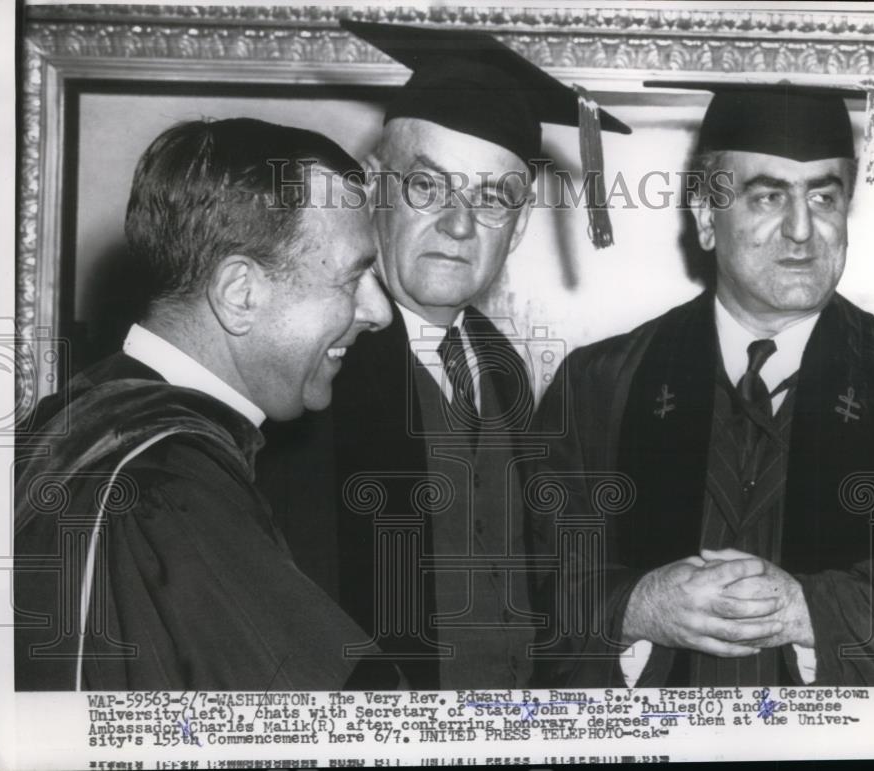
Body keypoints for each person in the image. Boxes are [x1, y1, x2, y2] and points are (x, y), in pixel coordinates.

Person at [528, 82, 874, 688]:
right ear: (706, 216)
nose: (803, 230)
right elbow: (530, 594)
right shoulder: (598, 386)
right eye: (767, 197)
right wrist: (638, 606)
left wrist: (805, 611)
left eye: (825, 197)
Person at [256, 20, 630, 689]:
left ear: (515, 232)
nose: (460, 225)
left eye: (493, 200)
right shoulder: (305, 366)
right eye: (428, 187)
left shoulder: (503, 365)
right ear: (374, 186)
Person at [14, 118, 394, 690]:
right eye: (352, 278)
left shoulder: (65, 423)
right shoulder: (167, 485)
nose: (378, 312)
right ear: (240, 293)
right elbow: (344, 722)